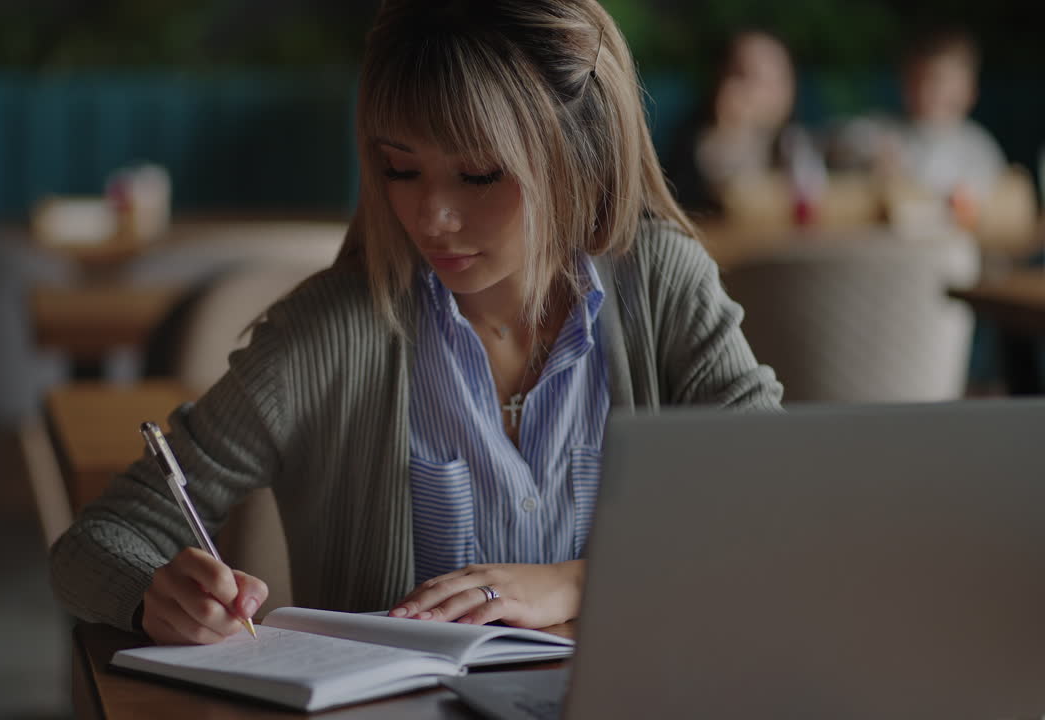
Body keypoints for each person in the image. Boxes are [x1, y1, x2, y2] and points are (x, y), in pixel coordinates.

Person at [50, 0, 783, 646]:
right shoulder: (324, 336)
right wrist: (158, 597)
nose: (431, 215)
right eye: (401, 170)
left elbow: (781, 506)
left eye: (479, 174)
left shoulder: (661, 284)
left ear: (582, 154)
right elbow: (94, 545)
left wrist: (576, 582)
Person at [664, 30, 815, 219]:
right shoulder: (695, 146)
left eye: (777, 77)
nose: (766, 90)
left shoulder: (793, 143)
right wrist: (732, 133)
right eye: (747, 76)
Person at [884, 30, 1007, 229]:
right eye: (917, 80)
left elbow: (996, 208)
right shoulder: (887, 133)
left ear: (969, 90)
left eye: (939, 81)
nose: (926, 92)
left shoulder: (979, 148)